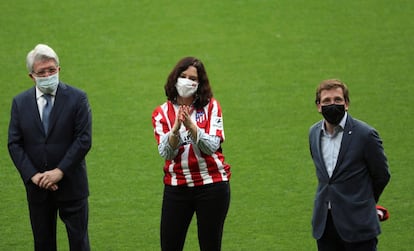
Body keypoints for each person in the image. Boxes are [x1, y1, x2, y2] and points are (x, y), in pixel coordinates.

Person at [8, 44, 92, 251]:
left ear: (59, 70)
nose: (47, 75)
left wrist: (59, 171)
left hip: (72, 185)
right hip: (38, 188)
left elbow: (83, 140)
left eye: (51, 70)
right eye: (42, 72)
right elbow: (14, 143)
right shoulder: (20, 103)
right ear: (31, 76)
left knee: (79, 243)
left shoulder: (77, 98)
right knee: (43, 244)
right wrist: (33, 176)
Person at [152, 57, 231, 251]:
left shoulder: (211, 106)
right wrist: (176, 129)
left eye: (193, 78)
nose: (187, 81)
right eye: (183, 76)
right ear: (175, 78)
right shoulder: (161, 113)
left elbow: (212, 146)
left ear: (200, 84)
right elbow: (166, 152)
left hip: (212, 185)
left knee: (210, 245)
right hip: (177, 186)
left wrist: (191, 127)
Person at [308, 79, 391, 250]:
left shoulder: (365, 135)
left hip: (358, 224)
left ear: (346, 104)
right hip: (325, 224)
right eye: (327, 101)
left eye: (338, 100)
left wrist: (364, 202)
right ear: (318, 106)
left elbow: (381, 175)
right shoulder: (314, 133)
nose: (333, 104)